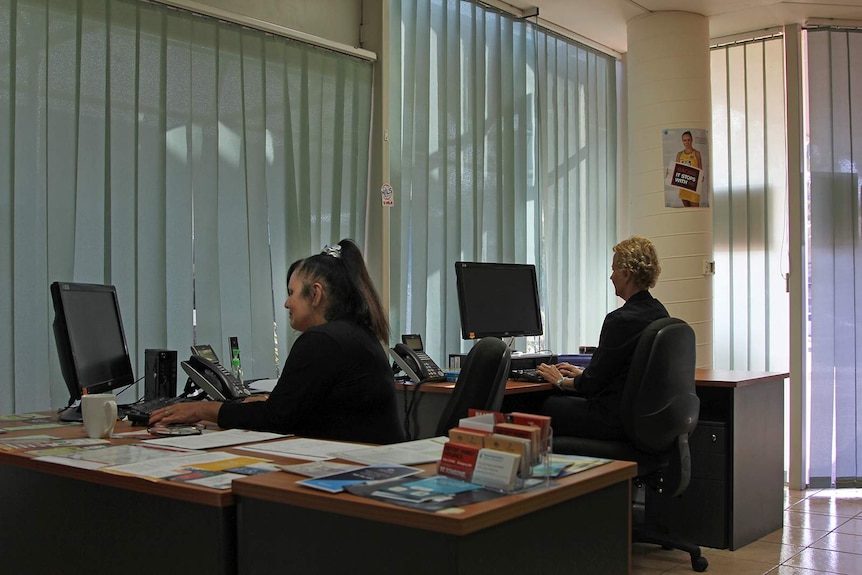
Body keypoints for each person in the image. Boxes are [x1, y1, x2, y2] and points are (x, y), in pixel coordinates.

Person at [150, 239, 406, 445]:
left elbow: (277, 419)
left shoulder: (322, 341)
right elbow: (298, 408)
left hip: (354, 472)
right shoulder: (356, 334)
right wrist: (266, 405)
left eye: (292, 293)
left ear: (315, 294)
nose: (286, 303)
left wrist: (202, 411)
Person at [535, 236, 668, 440]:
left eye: (614, 270)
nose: (611, 276)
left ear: (627, 273)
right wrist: (582, 373)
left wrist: (560, 380)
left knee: (542, 405)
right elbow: (623, 371)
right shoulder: (659, 312)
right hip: (645, 419)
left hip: (614, 419)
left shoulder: (621, 320)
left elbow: (591, 386)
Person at [675, 130, 703, 207]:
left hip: (693, 189)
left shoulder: (697, 153)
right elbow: (675, 171)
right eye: (684, 140)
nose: (686, 142)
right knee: (687, 212)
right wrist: (670, 174)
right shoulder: (679, 154)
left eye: (688, 140)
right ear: (682, 141)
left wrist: (699, 177)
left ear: (692, 140)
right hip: (683, 189)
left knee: (695, 213)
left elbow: (701, 174)